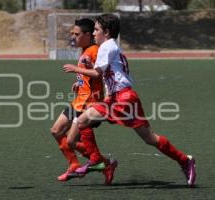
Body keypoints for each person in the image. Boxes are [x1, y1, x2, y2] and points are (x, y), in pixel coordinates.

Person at [63, 14, 196, 186]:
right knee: (149, 138)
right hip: (123, 97)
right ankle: (185, 160)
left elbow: (98, 74)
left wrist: (75, 69)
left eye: (96, 30)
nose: (94, 33)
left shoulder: (106, 46)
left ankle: (97, 161)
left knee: (82, 121)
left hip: (122, 98)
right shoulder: (109, 46)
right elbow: (109, 75)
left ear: (107, 32)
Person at [51, 18, 117, 184]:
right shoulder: (84, 50)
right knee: (56, 131)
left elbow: (100, 72)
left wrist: (78, 69)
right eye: (72, 33)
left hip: (90, 103)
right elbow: (88, 74)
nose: (73, 37)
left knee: (72, 141)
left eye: (77, 34)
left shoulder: (95, 50)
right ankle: (75, 164)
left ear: (88, 35)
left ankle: (103, 163)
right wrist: (79, 82)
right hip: (79, 100)